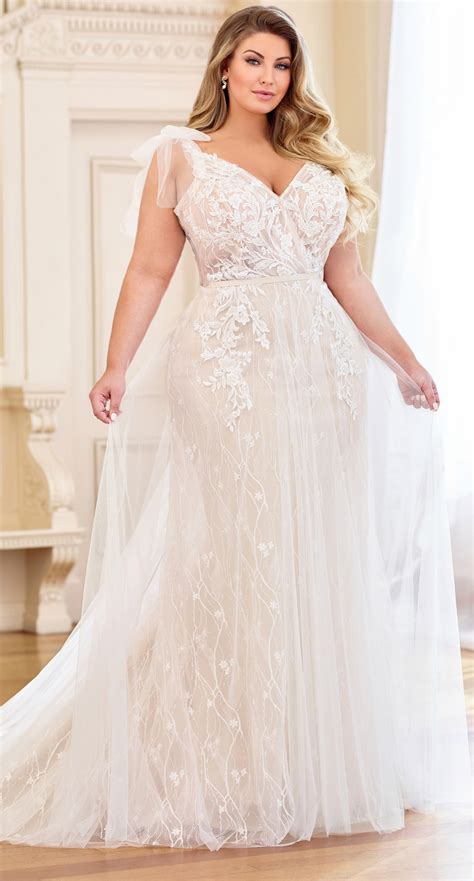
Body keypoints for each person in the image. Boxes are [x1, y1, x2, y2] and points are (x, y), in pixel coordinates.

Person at [1, 5, 469, 852]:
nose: (268, 77)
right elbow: (150, 268)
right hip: (224, 368)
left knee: (310, 550)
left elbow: (348, 281)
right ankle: (221, 758)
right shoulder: (181, 155)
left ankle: (305, 757)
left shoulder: (319, 161)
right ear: (225, 66)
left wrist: (406, 362)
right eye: (254, 60)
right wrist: (115, 365)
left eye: (282, 64)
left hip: (320, 376)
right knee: (231, 545)